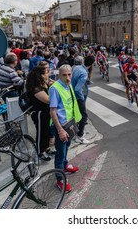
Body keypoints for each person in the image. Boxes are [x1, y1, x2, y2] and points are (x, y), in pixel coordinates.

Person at [49, 64, 82, 193]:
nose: (68, 78)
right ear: (59, 75)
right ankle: (59, 179)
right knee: (60, 152)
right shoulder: (55, 89)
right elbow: (53, 111)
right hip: (61, 127)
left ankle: (65, 165)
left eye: (69, 74)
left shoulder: (68, 85)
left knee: (66, 147)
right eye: (64, 75)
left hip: (69, 124)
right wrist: (60, 130)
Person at [26, 64, 54, 161]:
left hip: (46, 112)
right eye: (46, 72)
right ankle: (40, 151)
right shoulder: (36, 88)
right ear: (40, 75)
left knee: (46, 131)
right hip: (39, 113)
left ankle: (46, 149)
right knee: (41, 132)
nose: (48, 73)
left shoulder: (43, 84)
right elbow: (48, 100)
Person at [72, 55, 95, 144]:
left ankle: (77, 131)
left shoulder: (77, 67)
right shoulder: (84, 73)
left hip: (73, 94)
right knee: (84, 116)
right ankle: (80, 135)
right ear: (92, 64)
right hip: (78, 96)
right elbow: (78, 88)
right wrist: (81, 98)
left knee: (77, 114)